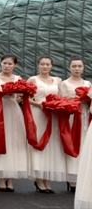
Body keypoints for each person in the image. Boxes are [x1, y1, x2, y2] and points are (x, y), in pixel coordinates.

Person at [0, 54, 31, 192]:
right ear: (1, 63)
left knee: (15, 142)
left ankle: (11, 178)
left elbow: (21, 97)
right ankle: (1, 177)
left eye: (10, 64)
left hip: (14, 111)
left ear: (15, 65)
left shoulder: (18, 79)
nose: (7, 66)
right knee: (2, 140)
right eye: (5, 63)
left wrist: (14, 96)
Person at [28, 55, 66, 193]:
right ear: (38, 65)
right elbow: (26, 98)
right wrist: (39, 104)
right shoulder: (33, 80)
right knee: (40, 142)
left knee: (51, 145)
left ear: (51, 66)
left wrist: (57, 105)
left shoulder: (57, 80)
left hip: (53, 114)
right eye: (42, 64)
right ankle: (39, 178)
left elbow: (62, 97)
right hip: (39, 113)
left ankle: (47, 178)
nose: (45, 66)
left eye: (48, 64)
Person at [59, 55, 90, 191]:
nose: (77, 69)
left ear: (83, 68)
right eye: (74, 66)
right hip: (71, 117)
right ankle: (72, 178)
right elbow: (61, 101)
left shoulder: (87, 84)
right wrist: (73, 98)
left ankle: (85, 178)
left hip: (85, 116)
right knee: (73, 145)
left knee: (85, 146)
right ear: (69, 68)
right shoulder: (64, 84)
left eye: (79, 66)